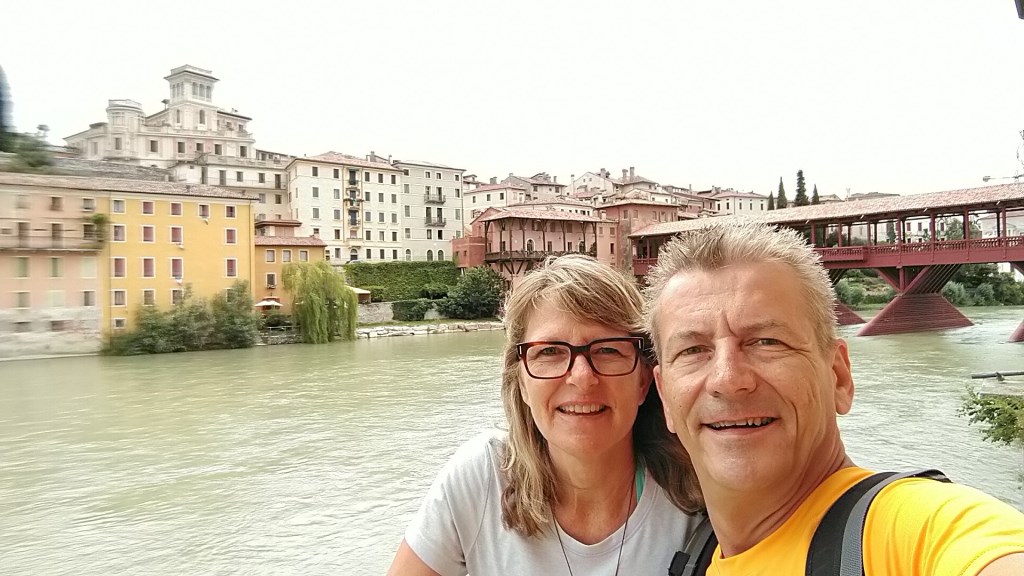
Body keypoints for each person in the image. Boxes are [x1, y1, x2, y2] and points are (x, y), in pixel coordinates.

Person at [644, 221, 1024, 575]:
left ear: (839, 377)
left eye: (767, 342)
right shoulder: (694, 555)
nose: (727, 380)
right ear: (665, 397)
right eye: (693, 350)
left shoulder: (921, 530)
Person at [388, 254, 703, 575]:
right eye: (550, 351)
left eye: (608, 349)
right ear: (521, 382)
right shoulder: (483, 478)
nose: (582, 377)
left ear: (644, 380)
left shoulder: (697, 498)